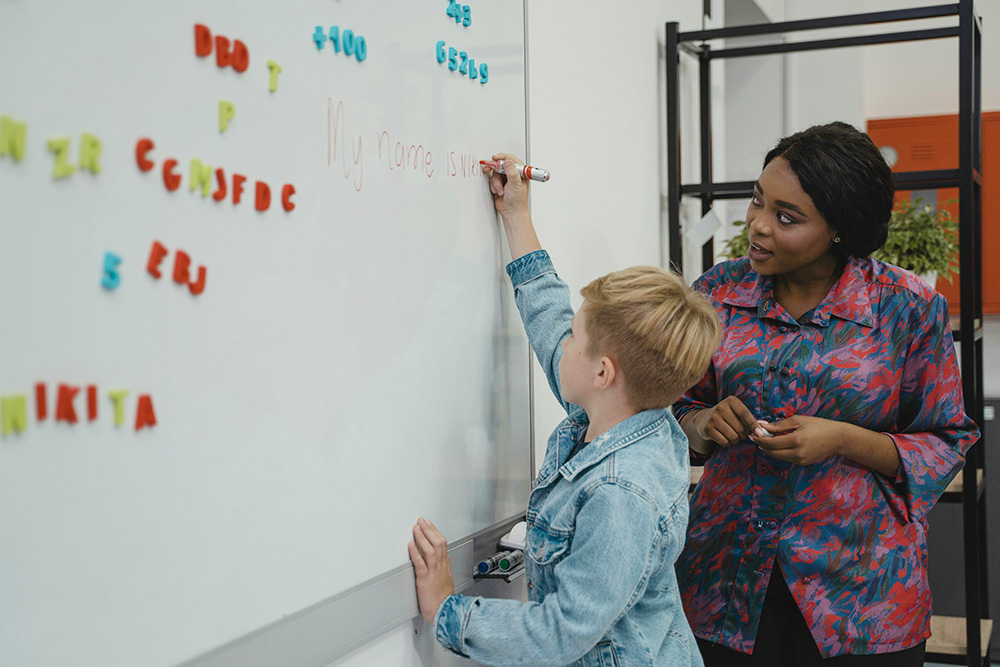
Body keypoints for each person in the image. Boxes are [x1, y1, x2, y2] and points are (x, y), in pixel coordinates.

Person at [673, 122, 980, 666]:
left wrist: (843, 439)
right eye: (758, 201)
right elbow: (673, 406)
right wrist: (701, 424)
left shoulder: (906, 308)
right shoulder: (716, 294)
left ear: (840, 230)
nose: (758, 225)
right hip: (725, 582)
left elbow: (945, 441)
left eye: (786, 217)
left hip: (862, 596)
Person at [407, 153, 721, 666]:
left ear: (603, 373)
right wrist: (516, 214)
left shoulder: (620, 493)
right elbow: (549, 315)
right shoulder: (627, 412)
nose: (563, 341)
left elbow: (560, 633)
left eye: (575, 335)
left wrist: (448, 610)